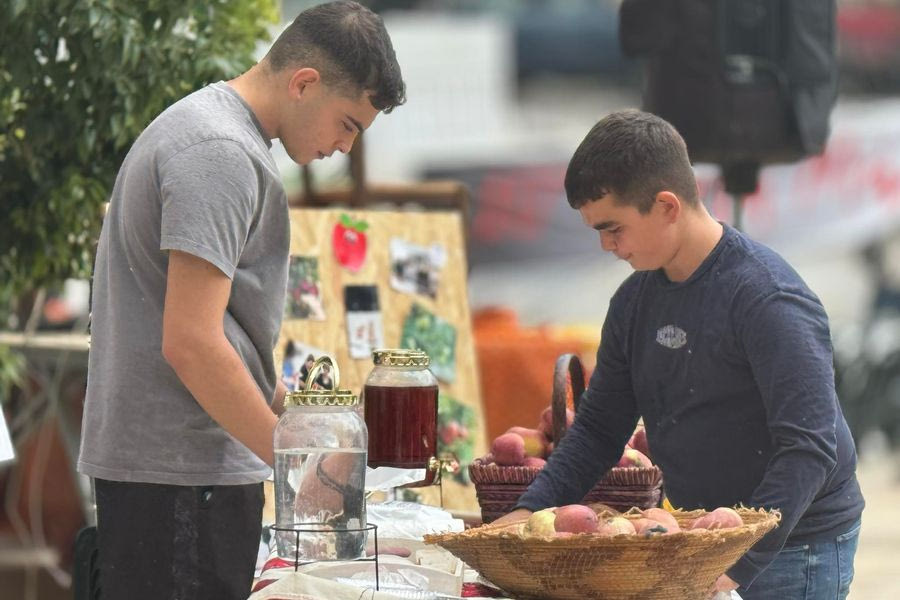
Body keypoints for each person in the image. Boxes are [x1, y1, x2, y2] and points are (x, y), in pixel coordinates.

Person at [76, 2, 405, 598]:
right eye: (348, 124)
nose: (345, 146)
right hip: (180, 478)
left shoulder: (213, 133)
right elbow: (193, 343)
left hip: (177, 475)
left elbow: (220, 334)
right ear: (304, 83)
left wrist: (305, 422)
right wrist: (298, 474)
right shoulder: (219, 151)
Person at [493, 110, 864, 600]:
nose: (606, 246)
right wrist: (525, 513)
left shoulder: (767, 298)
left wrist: (737, 567)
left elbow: (810, 447)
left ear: (667, 205)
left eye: (614, 228)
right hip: (700, 543)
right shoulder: (633, 302)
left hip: (794, 547)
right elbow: (601, 429)